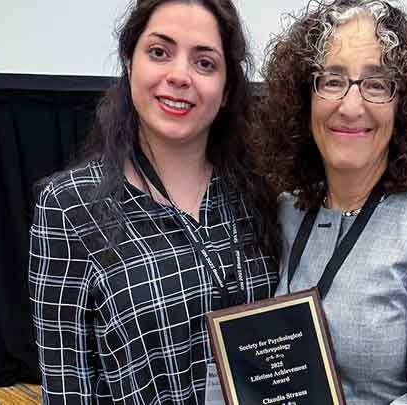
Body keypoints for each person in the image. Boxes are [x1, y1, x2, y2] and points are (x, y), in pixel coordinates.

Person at [28, 0, 280, 403]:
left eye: (205, 63)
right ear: (130, 64)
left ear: (228, 87)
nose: (179, 75)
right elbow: (66, 382)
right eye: (159, 52)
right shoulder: (69, 206)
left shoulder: (256, 194)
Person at [253, 0, 407, 403]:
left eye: (377, 84)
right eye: (332, 80)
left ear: (406, 105)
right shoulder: (284, 213)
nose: (350, 107)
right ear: (303, 99)